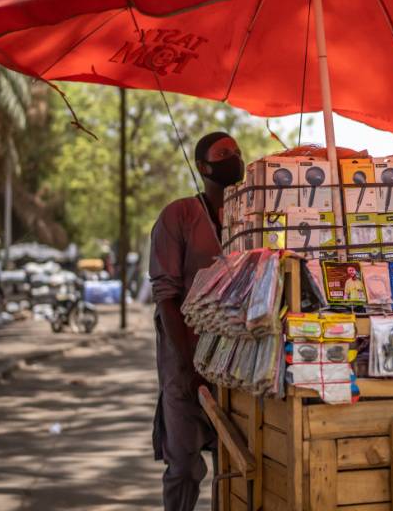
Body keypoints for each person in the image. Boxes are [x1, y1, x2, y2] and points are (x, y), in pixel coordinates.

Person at [150, 131, 243, 511]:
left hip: (238, 356)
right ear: (204, 167)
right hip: (185, 355)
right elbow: (166, 295)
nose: (234, 157)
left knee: (237, 459)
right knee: (185, 464)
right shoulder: (179, 215)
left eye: (236, 152)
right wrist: (189, 363)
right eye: (224, 153)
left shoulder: (252, 215)